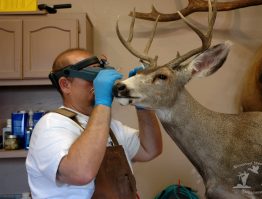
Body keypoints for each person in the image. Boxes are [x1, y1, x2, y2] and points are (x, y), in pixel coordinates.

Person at [25, 48, 162, 199]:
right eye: (92, 77)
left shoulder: (109, 127)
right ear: (65, 85)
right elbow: (80, 173)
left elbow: (150, 149)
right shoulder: (51, 125)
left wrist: (141, 101)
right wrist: (102, 103)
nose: (98, 83)